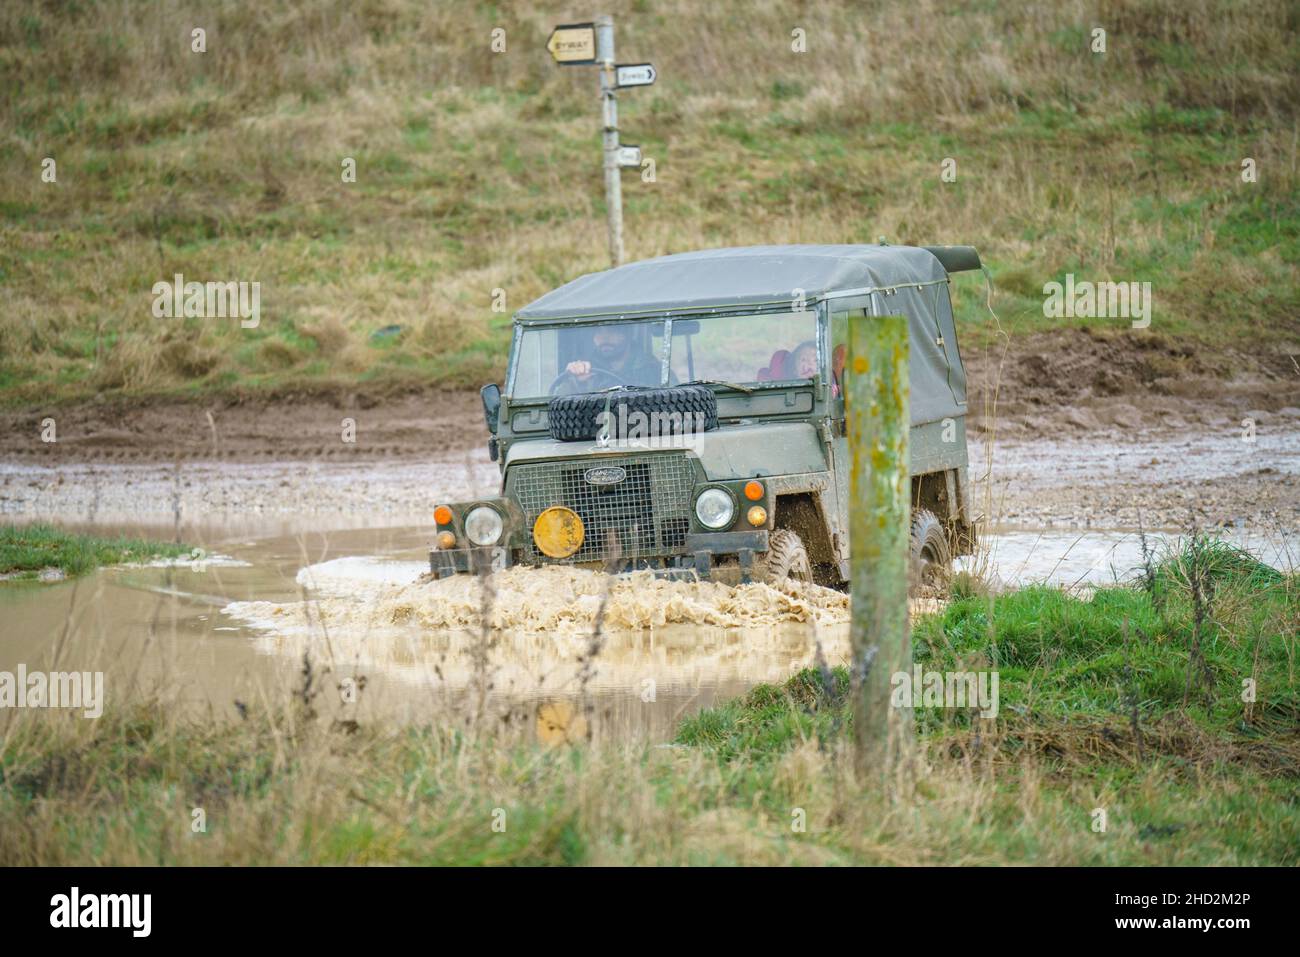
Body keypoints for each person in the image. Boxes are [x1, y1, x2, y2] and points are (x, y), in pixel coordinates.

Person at [561, 326, 661, 389]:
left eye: (612, 331)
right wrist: (573, 380)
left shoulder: (654, 370)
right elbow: (559, 405)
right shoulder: (587, 370)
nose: (604, 338)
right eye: (598, 331)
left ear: (628, 334)